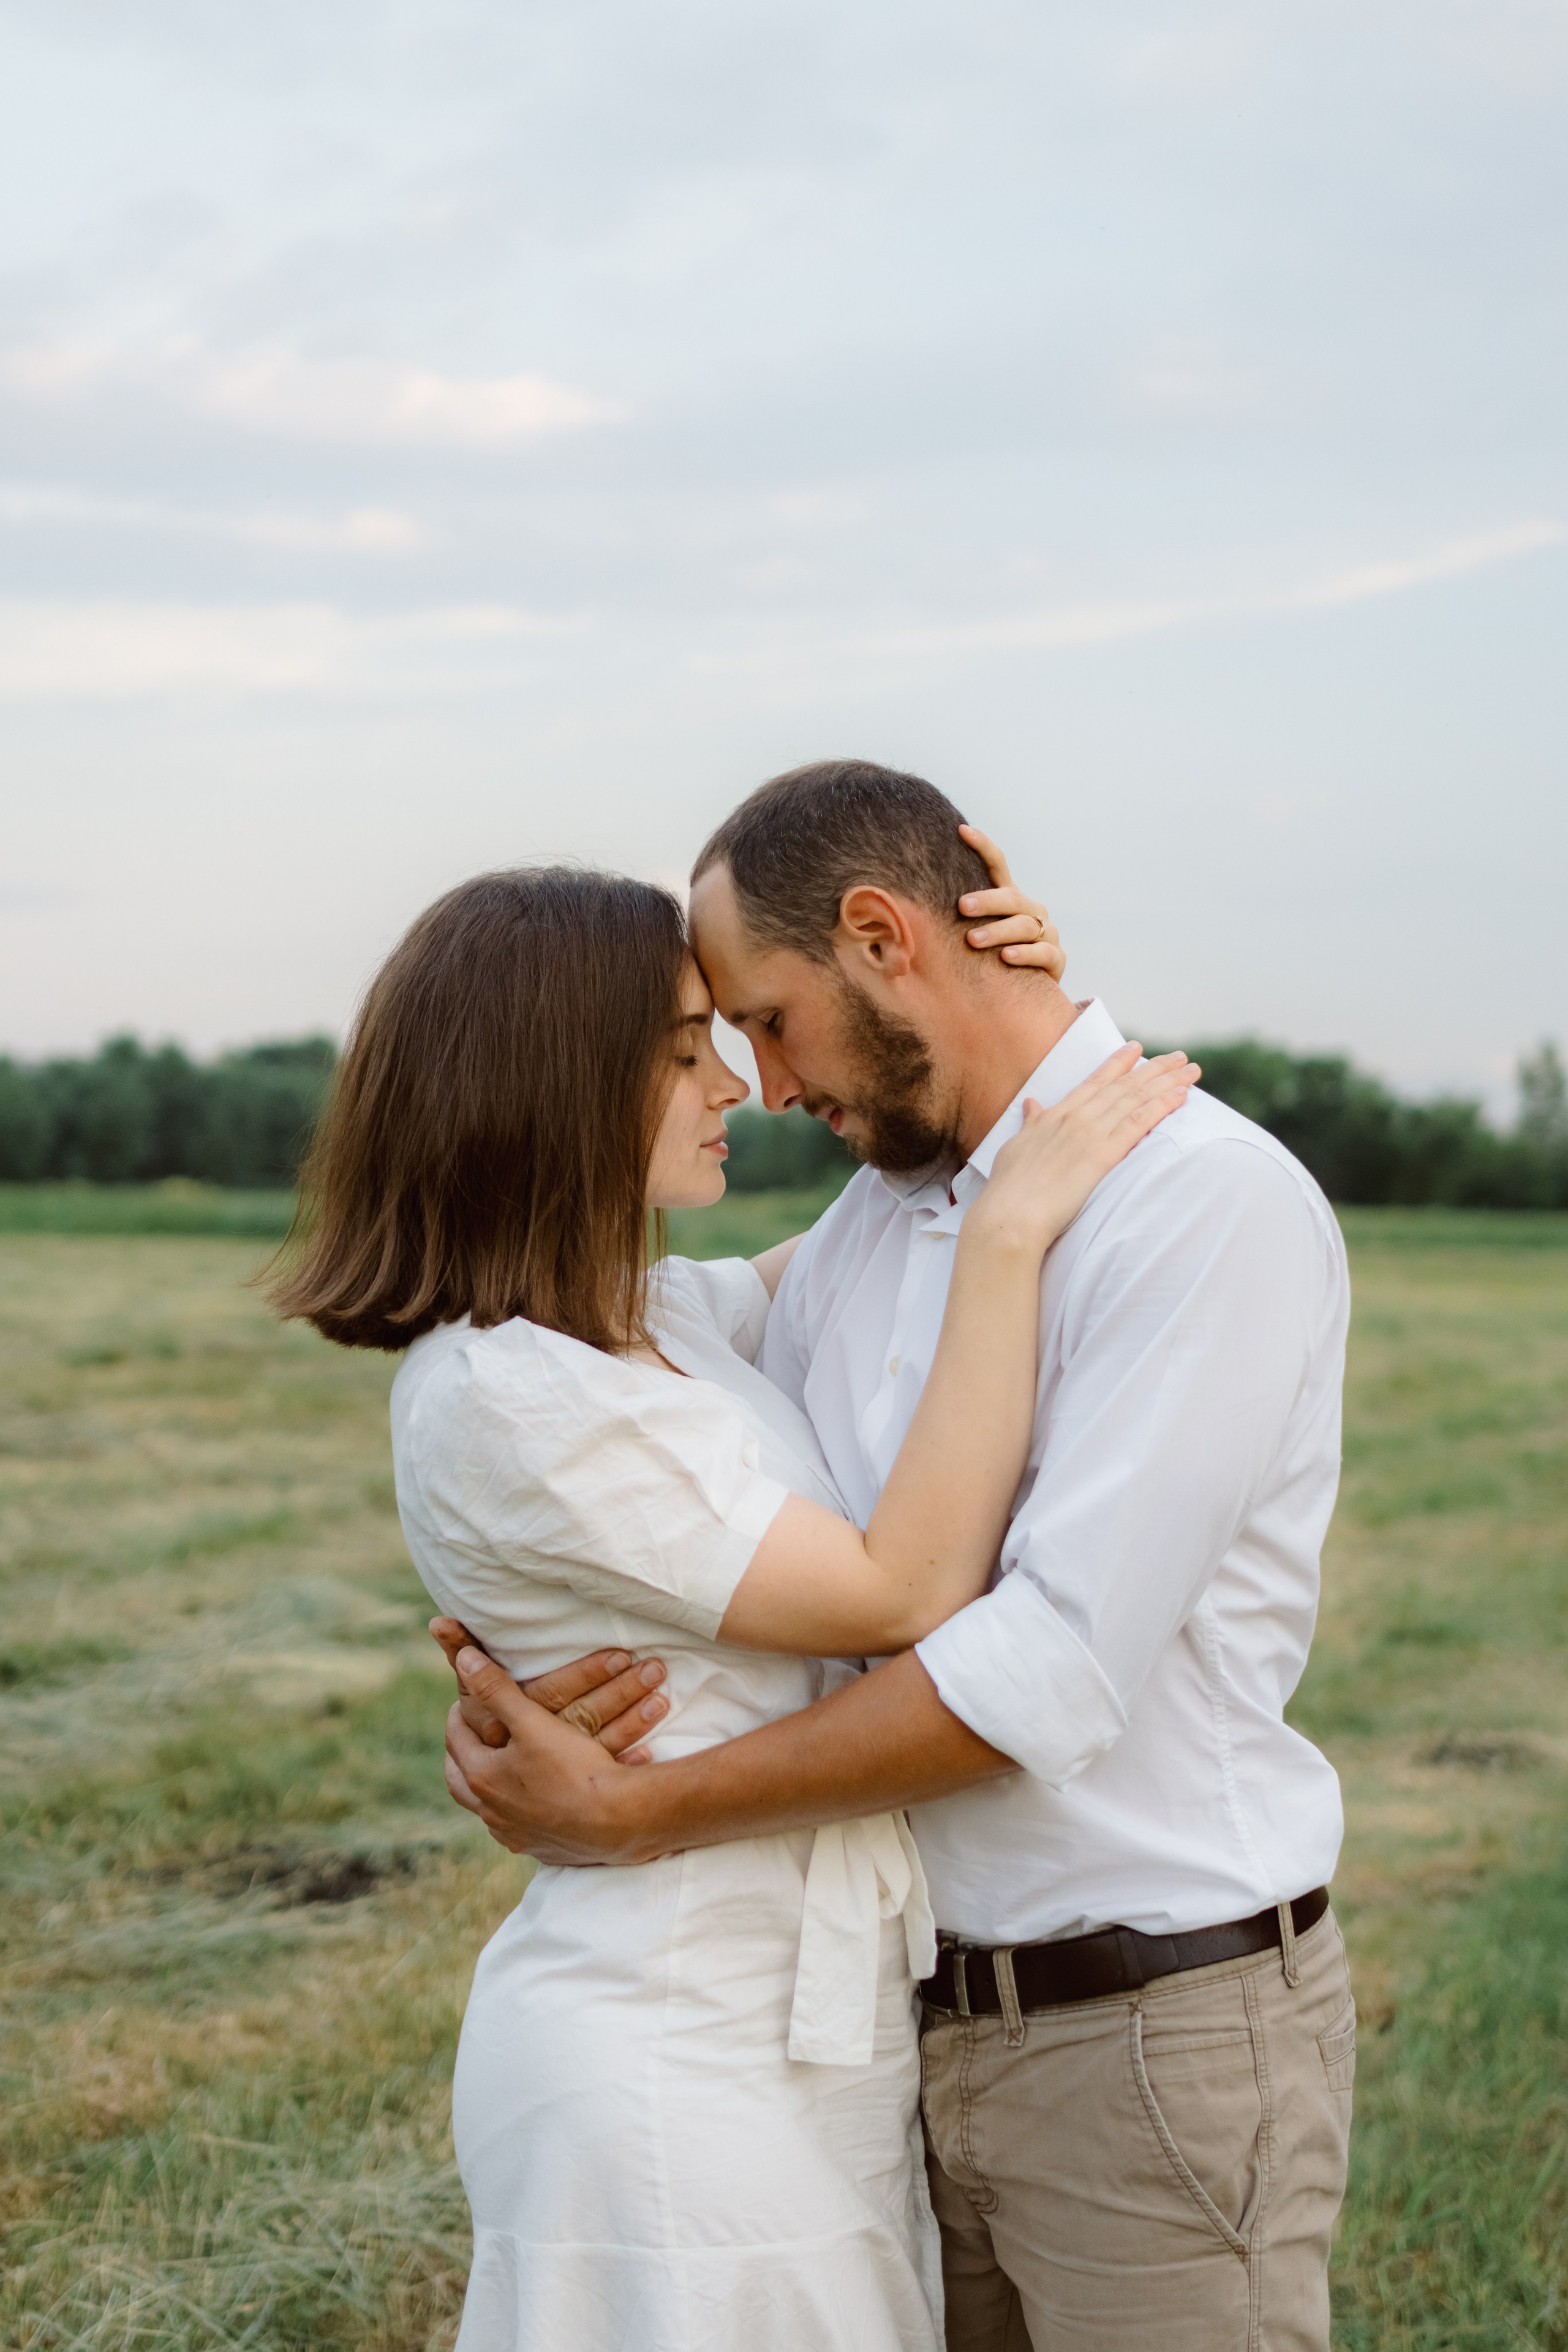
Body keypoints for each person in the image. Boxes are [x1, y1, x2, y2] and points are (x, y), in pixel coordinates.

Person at [438, 759, 1357, 2352]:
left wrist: (636, 1807)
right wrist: (529, 1637)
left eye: (769, 1021)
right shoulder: (877, 1222)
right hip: (907, 2038)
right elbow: (633, 1396)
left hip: (1148, 2036)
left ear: (880, 935)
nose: (766, 1083)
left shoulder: (1199, 1209)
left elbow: (1043, 1671)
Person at [270, 852, 1198, 2352]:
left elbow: (917, 1210)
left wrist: (990, 1008)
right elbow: (901, 1586)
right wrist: (1013, 1235)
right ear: (556, 1080)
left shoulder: (663, 1325)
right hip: (668, 2054)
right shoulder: (509, 1393)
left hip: (793, 2036)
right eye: (686, 1046)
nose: (736, 1083)